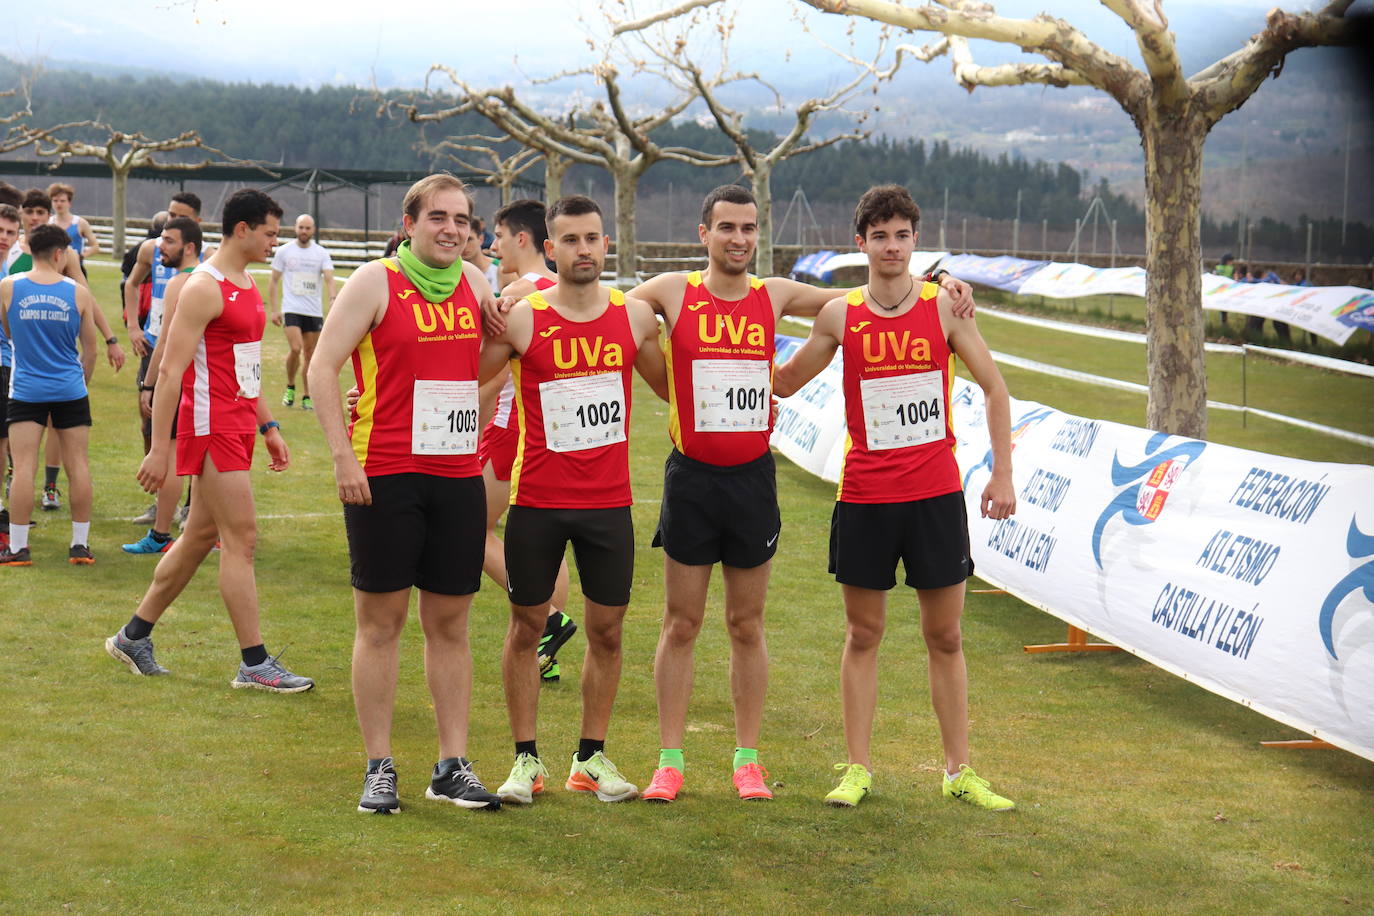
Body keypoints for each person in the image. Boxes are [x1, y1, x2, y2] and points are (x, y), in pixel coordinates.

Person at [573, 184, 973, 803]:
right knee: (681, 623)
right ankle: (670, 761)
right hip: (691, 479)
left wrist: (942, 279)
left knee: (746, 623)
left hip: (753, 480)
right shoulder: (672, 292)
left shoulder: (776, 295)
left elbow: (870, 292)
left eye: (749, 228)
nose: (739, 238)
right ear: (703, 234)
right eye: (727, 227)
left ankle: (747, 760)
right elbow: (599, 299)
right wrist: (523, 290)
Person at [773, 184, 1017, 811]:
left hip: (934, 495)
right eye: (878, 235)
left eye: (901, 235)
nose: (890, 246)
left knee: (947, 636)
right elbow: (784, 382)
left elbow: (995, 389)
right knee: (864, 633)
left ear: (915, 240)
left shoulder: (944, 309)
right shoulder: (840, 314)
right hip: (866, 498)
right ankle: (857, 769)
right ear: (861, 243)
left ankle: (959, 769)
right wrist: (722, 344)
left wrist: (1002, 475)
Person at [309, 174, 503, 814]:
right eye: (439, 217)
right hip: (383, 474)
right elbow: (322, 367)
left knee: (450, 624)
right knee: (382, 623)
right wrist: (343, 458)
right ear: (410, 223)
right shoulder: (374, 281)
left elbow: (478, 363)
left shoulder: (477, 284)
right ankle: (380, 765)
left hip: (455, 476)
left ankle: (451, 764)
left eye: (464, 220)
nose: (453, 229)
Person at [478, 194, 667, 805]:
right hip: (537, 500)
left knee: (607, 632)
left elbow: (673, 386)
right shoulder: (523, 317)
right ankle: (525, 762)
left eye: (593, 238)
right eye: (571, 240)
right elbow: (466, 375)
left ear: (605, 244)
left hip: (610, 505)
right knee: (526, 628)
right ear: (550, 248)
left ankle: (591, 757)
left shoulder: (635, 317)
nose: (583, 249)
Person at [103, 188, 313, 695]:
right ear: (241, 229)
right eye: (269, 233)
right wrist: (159, 449)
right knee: (240, 539)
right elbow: (171, 371)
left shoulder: (246, 281)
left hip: (238, 422)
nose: (274, 243)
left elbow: (246, 365)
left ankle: (133, 636)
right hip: (210, 425)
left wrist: (268, 426)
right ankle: (254, 663)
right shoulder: (204, 286)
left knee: (198, 537)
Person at [483, 199, 578, 684]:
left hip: (510, 428)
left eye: (498, 237)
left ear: (522, 239)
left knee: (468, 528)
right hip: (555, 432)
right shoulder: (561, 291)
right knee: (552, 546)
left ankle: (548, 620)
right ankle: (548, 649)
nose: (492, 247)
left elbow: (495, 374)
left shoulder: (519, 293)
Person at [7, 189, 126, 513]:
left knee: (54, 423)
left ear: (48, 215)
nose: (34, 217)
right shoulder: (9, 246)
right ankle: (15, 484)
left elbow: (85, 298)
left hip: (46, 354)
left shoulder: (64, 255)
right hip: (18, 355)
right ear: (20, 215)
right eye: (29, 212)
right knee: (18, 435)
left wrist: (110, 338)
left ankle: (49, 485)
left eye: (40, 212)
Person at [0, 225, 99, 566]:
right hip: (70, 387)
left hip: (27, 387)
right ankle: (80, 545)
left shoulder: (8, 287)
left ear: (31, 250)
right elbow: (90, 350)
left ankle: (18, 548)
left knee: (25, 466)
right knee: (78, 465)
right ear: (60, 254)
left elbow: (9, 333)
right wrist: (79, 384)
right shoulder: (78, 292)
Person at [122, 216, 204, 555]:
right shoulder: (209, 278)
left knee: (171, 456)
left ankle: (161, 535)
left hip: (181, 380)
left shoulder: (182, 282)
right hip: (204, 383)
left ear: (188, 247)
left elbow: (167, 339)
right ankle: (204, 533)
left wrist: (148, 384)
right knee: (200, 461)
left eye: (168, 240)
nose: (160, 246)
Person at [270, 214, 335, 411]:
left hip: (313, 311)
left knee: (310, 354)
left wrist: (333, 299)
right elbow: (273, 281)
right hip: (291, 308)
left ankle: (307, 395)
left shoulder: (321, 253)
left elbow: (329, 279)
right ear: (295, 228)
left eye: (307, 228)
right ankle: (290, 386)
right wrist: (274, 310)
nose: (304, 231)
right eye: (301, 227)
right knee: (296, 348)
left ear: (313, 230)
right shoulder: (284, 251)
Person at [0, 204, 21, 543]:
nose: (3, 238)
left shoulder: (8, 271)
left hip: (6, 364)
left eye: (9, 232)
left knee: (4, 443)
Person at [47, 183, 101, 271]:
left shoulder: (80, 223)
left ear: (69, 203)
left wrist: (81, 256)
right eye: (55, 200)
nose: (59, 204)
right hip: (53, 269)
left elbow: (95, 246)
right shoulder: (48, 223)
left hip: (76, 269)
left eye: (62, 201)